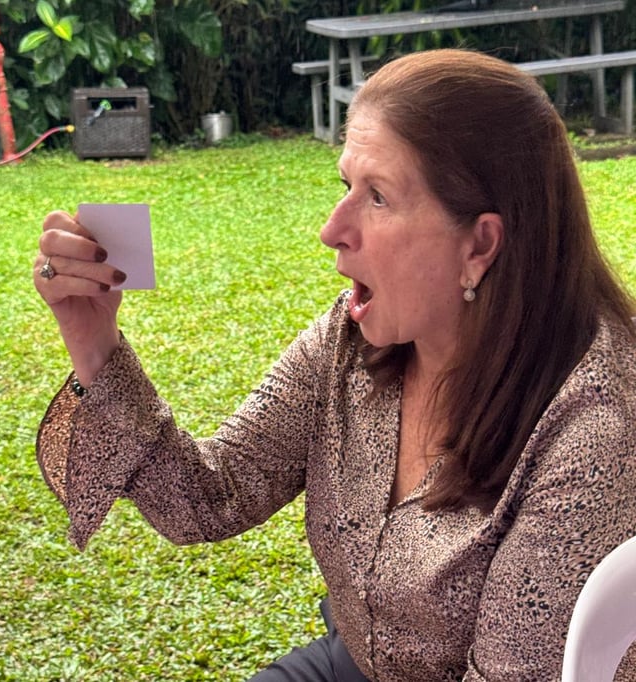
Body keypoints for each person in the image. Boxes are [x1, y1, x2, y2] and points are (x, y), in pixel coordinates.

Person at [33, 48, 636, 681]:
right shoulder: (354, 341)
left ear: (480, 244)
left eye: (378, 197)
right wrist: (93, 340)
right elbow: (207, 499)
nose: (331, 230)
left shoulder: (594, 432)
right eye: (346, 186)